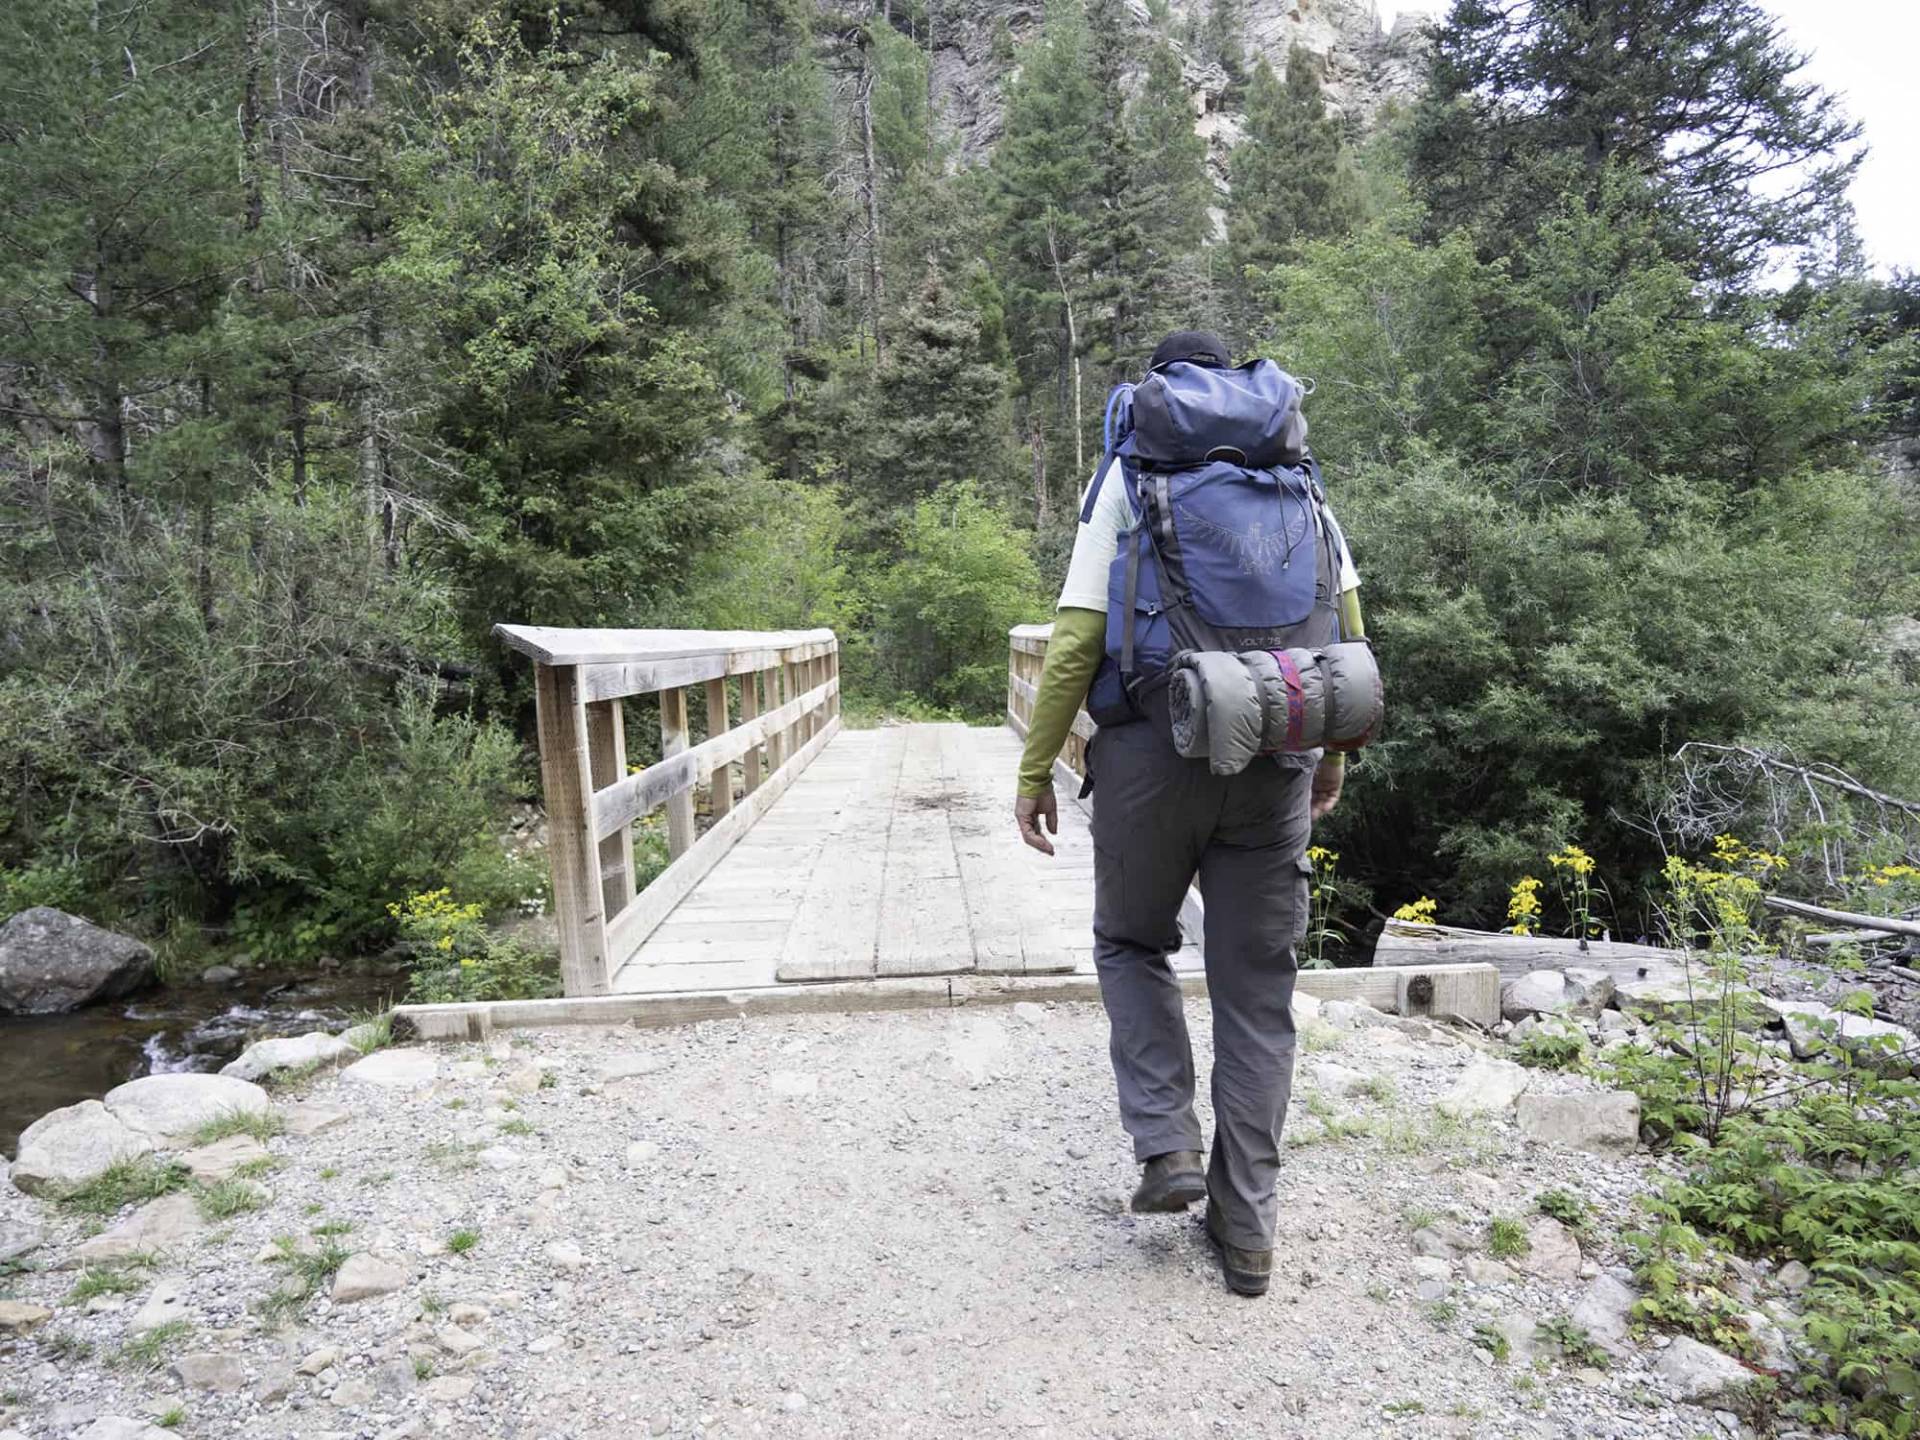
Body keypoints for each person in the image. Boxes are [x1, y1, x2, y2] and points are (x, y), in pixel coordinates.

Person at [1012, 330, 1365, 1297]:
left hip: (1150, 758)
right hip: (1277, 752)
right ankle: (1247, 1236)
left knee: (1131, 943)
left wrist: (1036, 768)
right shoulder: (1296, 481)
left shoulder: (1133, 475)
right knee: (1257, 993)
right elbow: (1349, 632)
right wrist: (1328, 755)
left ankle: (1166, 1146)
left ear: (1162, 392)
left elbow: (1079, 636)